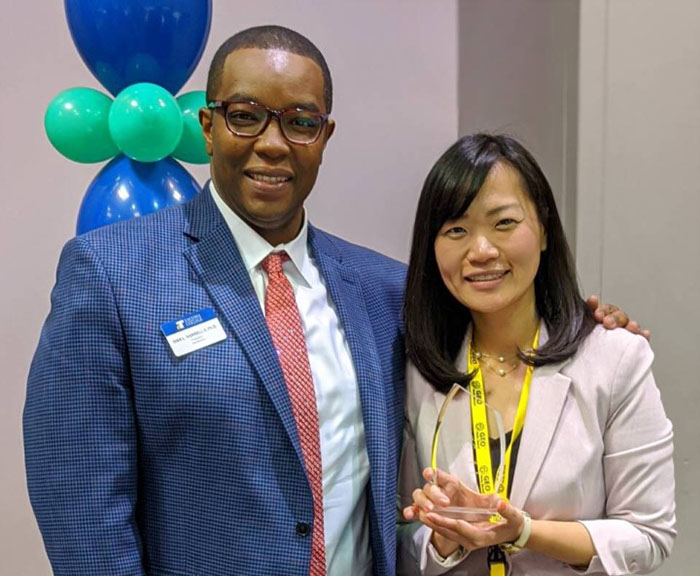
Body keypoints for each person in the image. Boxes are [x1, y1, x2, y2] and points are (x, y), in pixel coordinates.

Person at [24, 26, 641, 576]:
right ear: (207, 126)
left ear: (324, 136)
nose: (273, 143)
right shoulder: (111, 273)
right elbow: (81, 504)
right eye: (246, 115)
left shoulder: (383, 290)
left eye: (300, 121)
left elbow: (498, 325)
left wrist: (585, 324)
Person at [397, 134, 675, 575]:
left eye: (503, 223)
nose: (481, 250)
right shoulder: (417, 369)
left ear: (543, 229)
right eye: (456, 230)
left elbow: (648, 535)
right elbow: (397, 530)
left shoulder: (615, 359)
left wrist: (523, 531)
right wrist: (443, 537)